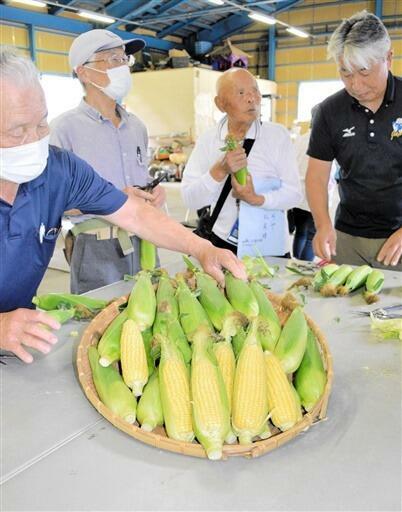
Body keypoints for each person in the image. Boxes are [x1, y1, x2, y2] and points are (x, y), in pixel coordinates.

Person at [0, 46, 246, 364]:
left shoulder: (59, 170)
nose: (35, 140)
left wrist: (201, 249)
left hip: (19, 341)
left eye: (42, 124)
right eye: (19, 130)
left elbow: (135, 214)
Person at [50, 29, 166, 294]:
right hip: (96, 248)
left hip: (146, 237)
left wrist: (153, 192)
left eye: (124, 59)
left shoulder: (136, 126)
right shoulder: (63, 130)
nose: (122, 66)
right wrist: (115, 199)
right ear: (84, 72)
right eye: (112, 59)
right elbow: (52, 201)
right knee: (100, 326)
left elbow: (141, 178)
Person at [306, 11, 402, 270]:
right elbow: (316, 176)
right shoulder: (329, 111)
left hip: (398, 235)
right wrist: (323, 224)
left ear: (388, 58)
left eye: (364, 71)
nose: (356, 85)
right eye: (345, 73)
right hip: (346, 236)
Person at [181, 68, 302, 256]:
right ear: (220, 104)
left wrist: (257, 198)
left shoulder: (277, 136)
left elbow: (294, 194)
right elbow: (191, 198)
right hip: (222, 244)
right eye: (241, 93)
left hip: (270, 248)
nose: (251, 98)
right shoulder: (209, 140)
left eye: (254, 91)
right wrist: (220, 171)